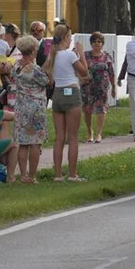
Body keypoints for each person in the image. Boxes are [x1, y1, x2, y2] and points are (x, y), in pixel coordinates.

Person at [44, 24, 88, 182]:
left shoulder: (53, 55)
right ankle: (72, 174)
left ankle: (57, 174)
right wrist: (81, 54)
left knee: (59, 137)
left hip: (58, 94)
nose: (70, 40)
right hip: (71, 93)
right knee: (73, 137)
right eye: (69, 37)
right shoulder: (70, 55)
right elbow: (84, 72)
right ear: (64, 38)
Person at [11, 35, 48, 183]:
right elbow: (46, 82)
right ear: (33, 50)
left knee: (23, 142)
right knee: (35, 141)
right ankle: (32, 176)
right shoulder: (35, 69)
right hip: (36, 106)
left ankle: (23, 175)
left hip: (21, 106)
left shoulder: (16, 66)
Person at [83, 32, 116, 143]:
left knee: (101, 109)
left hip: (102, 87)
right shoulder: (85, 55)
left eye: (99, 41)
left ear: (102, 43)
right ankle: (89, 132)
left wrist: (114, 87)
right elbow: (78, 69)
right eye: (94, 41)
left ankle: (98, 133)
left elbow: (111, 73)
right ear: (91, 43)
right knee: (87, 109)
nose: (97, 44)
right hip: (88, 87)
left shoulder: (106, 56)